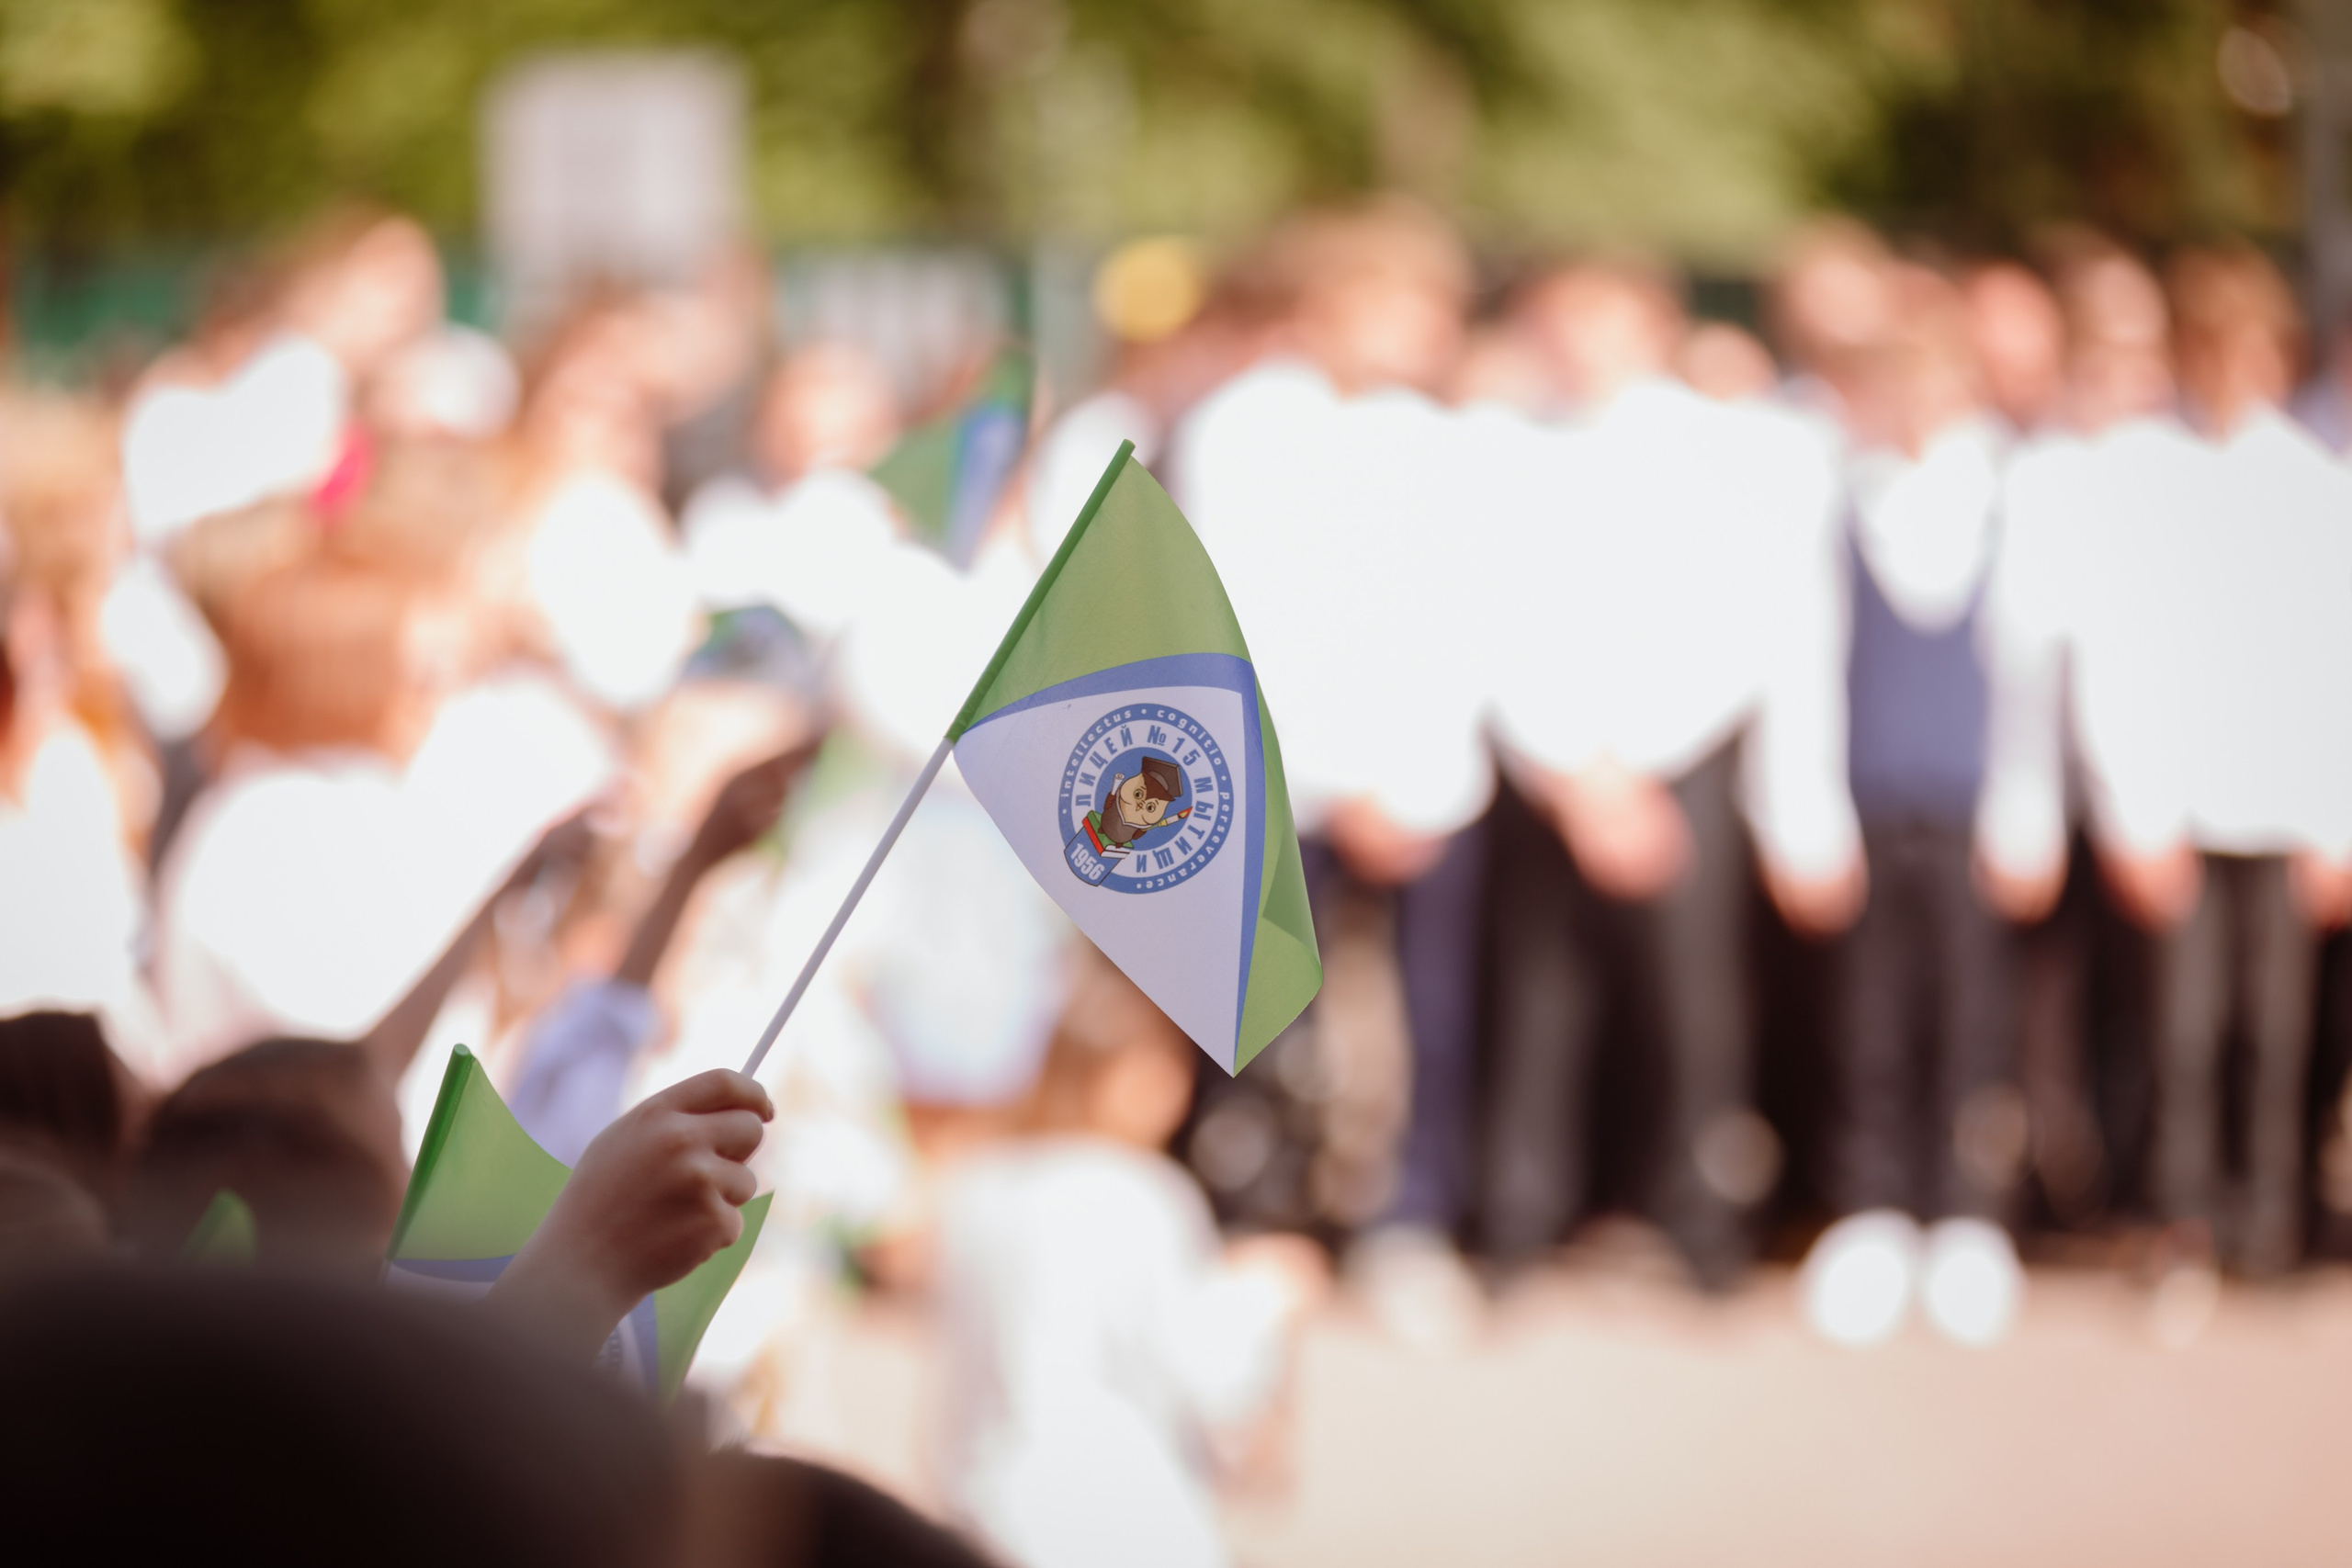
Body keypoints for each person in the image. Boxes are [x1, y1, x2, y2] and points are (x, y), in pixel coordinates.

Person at [1485, 258, 1861, 1289]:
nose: (1576, 342)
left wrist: (1636, 764)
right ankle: (1523, 1214)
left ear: (1651, 325)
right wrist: (1572, 771)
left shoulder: (1723, 453)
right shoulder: (1511, 449)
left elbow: (1741, 627)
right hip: (1556, 780)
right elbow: (1497, 619)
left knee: (1693, 1012)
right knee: (1539, 1010)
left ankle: (1699, 1216)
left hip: (1675, 766)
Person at [1799, 265, 2026, 1347]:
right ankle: (1874, 1208)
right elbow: (1805, 664)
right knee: (1871, 1018)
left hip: (1973, 808)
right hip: (1870, 802)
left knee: (1972, 1015)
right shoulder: (1841, 497)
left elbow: (2029, 671)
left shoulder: (2006, 494)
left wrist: (2028, 808)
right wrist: (1802, 814)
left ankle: (1963, 1213)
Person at [932, 951, 1321, 1568]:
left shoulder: (979, 1185)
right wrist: (1269, 1293)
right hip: (1119, 1513)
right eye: (1160, 1065)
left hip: (982, 1496)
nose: (1178, 1086)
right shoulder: (1141, 1193)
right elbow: (1202, 1369)